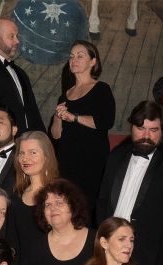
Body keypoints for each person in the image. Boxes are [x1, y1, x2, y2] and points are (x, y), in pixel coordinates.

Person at [96, 101, 163, 265]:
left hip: (148, 257)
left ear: (162, 132)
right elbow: (102, 200)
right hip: (109, 250)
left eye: (153, 130)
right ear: (131, 128)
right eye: (141, 128)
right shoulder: (116, 156)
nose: (146, 135)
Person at [50, 40, 116, 208]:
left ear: (93, 62)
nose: (74, 59)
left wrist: (75, 117)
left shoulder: (101, 89)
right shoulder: (64, 95)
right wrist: (58, 117)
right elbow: (56, 135)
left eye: (80, 56)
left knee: (88, 208)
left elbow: (105, 121)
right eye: (71, 56)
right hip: (66, 161)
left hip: (92, 161)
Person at [5, 131, 60, 258]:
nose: (25, 158)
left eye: (33, 152)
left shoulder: (59, 194)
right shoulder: (15, 196)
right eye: (22, 153)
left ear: (46, 157)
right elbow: (11, 242)